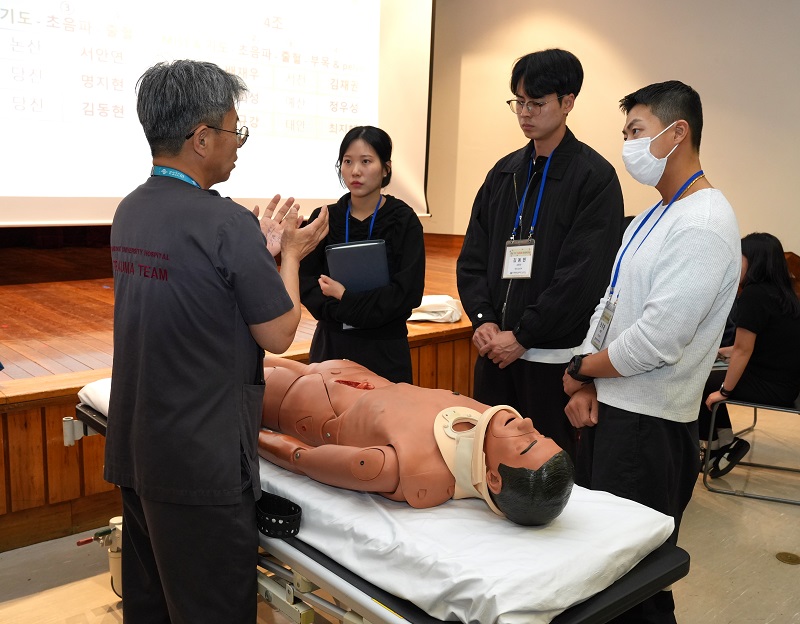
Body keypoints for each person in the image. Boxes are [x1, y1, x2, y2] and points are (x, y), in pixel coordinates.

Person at [104, 60, 329, 623]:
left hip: (138, 450)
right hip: (201, 464)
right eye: (235, 130)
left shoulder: (130, 210)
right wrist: (291, 256)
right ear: (201, 138)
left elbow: (199, 292)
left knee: (153, 607)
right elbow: (279, 333)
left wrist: (259, 254)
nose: (238, 145)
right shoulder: (226, 223)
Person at [562, 80, 740, 623]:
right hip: (614, 410)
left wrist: (579, 369)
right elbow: (610, 306)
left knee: (636, 586)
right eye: (625, 134)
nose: (628, 145)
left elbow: (659, 340)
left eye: (636, 131)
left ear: (677, 132)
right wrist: (587, 381)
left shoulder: (704, 222)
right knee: (599, 569)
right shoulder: (651, 216)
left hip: (650, 427)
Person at [456, 49, 624, 461]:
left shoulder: (594, 177)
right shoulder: (504, 172)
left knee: (548, 469)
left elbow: (581, 277)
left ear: (568, 102)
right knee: (490, 464)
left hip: (552, 362)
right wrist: (483, 319)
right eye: (519, 102)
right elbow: (473, 257)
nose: (525, 113)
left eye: (536, 103)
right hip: (495, 354)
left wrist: (523, 335)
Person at [258, 356, 575, 526]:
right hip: (338, 371)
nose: (527, 423)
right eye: (541, 434)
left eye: (526, 444)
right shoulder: (484, 420)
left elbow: (301, 458)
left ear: (493, 479)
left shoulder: (414, 470)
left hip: (289, 398)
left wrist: (248, 435)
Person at [299, 126, 425, 383]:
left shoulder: (404, 220)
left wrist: (344, 298)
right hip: (332, 345)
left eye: (366, 161)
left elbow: (407, 293)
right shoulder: (324, 218)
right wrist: (348, 308)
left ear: (386, 168)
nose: (355, 171)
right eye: (347, 161)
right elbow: (308, 284)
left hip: (385, 349)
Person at [701, 233, 800, 478]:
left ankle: (715, 449)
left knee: (699, 383)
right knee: (710, 376)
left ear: (754, 261)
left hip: (769, 386)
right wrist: (724, 352)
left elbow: (744, 350)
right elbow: (766, 344)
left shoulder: (754, 294)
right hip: (787, 384)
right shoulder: (785, 294)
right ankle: (724, 445)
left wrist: (724, 392)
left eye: (740, 257)